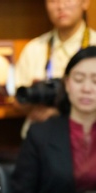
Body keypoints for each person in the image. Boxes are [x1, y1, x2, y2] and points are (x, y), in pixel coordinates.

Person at [11, 46, 96, 193]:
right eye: (78, 79)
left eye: (95, 81)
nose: (86, 89)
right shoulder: (40, 134)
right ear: (67, 83)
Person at [15, 0, 96, 137]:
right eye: (53, 0)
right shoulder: (34, 48)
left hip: (88, 140)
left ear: (85, 2)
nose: (61, 6)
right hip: (40, 137)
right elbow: (17, 102)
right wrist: (34, 99)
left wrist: (61, 113)